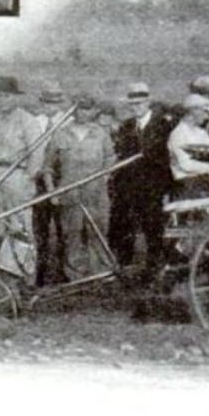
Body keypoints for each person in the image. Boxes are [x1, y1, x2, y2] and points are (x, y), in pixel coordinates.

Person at [43, 95, 117, 281]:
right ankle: (76, 277)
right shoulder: (60, 134)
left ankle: (101, 274)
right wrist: (52, 190)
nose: (84, 113)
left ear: (93, 110)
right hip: (70, 193)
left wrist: (105, 177)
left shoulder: (100, 133)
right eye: (80, 108)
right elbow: (48, 167)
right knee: (72, 234)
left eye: (88, 109)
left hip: (96, 194)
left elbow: (110, 159)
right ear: (73, 110)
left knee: (98, 232)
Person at [0, 76, 45, 287]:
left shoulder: (28, 121)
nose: (2, 100)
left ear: (16, 98)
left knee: (20, 228)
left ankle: (26, 280)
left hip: (17, 176)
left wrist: (27, 179)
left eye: (6, 96)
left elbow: (37, 154)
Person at [111, 82, 176, 279]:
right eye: (132, 104)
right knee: (126, 227)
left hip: (153, 187)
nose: (136, 107)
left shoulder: (164, 126)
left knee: (153, 229)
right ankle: (126, 269)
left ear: (148, 102)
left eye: (139, 103)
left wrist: (166, 189)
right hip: (129, 187)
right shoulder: (126, 126)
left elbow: (168, 160)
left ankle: (154, 270)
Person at [168, 94, 209, 199]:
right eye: (205, 112)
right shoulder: (178, 134)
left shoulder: (201, 133)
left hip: (205, 180)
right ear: (194, 112)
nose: (207, 117)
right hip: (188, 184)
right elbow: (186, 165)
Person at [33, 80, 67, 285]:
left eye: (54, 103)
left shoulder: (68, 122)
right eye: (47, 103)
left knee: (63, 227)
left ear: (59, 104)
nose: (50, 107)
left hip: (61, 178)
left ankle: (63, 272)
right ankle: (39, 271)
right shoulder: (34, 122)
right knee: (40, 228)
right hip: (38, 180)